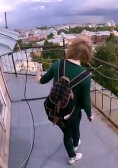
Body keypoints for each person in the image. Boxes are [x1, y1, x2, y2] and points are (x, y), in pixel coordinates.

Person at [36, 37, 94, 165]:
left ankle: (74, 143)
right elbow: (85, 101)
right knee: (72, 130)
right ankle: (72, 155)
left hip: (54, 108)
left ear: (71, 49)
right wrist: (90, 114)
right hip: (72, 112)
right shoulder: (85, 76)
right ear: (86, 55)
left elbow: (42, 80)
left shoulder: (57, 64)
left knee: (65, 130)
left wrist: (38, 76)